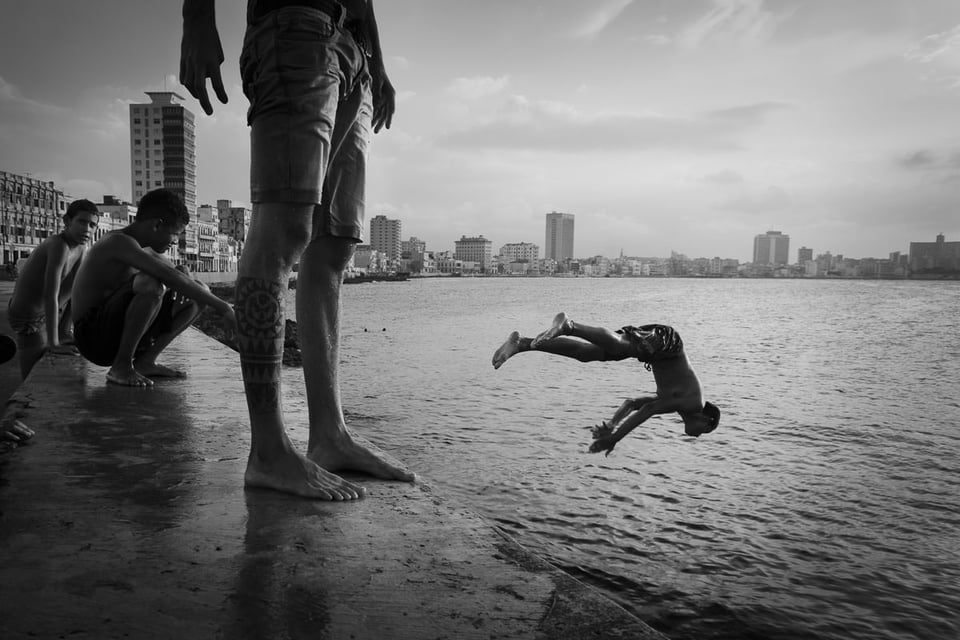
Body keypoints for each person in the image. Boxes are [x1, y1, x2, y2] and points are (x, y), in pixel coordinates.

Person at [180, 0, 414, 500]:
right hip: (296, 25)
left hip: (358, 56)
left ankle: (329, 435)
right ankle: (268, 451)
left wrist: (380, 67)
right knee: (285, 224)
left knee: (333, 247)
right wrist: (197, 17)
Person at [71, 188, 236, 387]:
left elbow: (177, 275)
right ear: (157, 224)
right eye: (174, 234)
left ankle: (145, 362)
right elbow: (167, 276)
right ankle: (121, 367)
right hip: (92, 339)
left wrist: (183, 270)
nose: (175, 241)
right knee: (151, 283)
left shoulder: (141, 249)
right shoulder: (117, 242)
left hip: (110, 334)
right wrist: (224, 307)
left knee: (199, 292)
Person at [492, 312, 721, 455]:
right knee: (621, 345)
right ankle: (569, 326)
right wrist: (614, 439)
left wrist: (612, 423)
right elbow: (648, 411)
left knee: (588, 354)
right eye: (702, 432)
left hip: (658, 352)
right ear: (706, 420)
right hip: (667, 344)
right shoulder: (693, 403)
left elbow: (633, 404)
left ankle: (522, 343)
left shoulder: (677, 403)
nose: (696, 435)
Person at [7, 199, 100, 379]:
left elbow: (79, 286)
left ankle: (64, 330)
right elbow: (51, 294)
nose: (87, 229)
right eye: (82, 222)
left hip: (47, 310)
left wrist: (65, 328)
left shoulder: (81, 246)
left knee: (86, 282)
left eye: (92, 225)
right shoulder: (59, 245)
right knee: (33, 374)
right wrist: (53, 343)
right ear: (67, 221)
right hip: (28, 316)